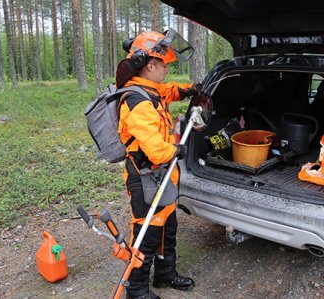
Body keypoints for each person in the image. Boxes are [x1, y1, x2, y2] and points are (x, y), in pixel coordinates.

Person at [117, 31, 196, 299]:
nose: (166, 68)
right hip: (145, 175)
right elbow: (155, 149)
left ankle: (165, 274)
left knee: (167, 227)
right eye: (164, 64)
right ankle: (136, 289)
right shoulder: (137, 100)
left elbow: (168, 91)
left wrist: (190, 91)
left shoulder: (149, 89)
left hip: (164, 175)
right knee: (147, 232)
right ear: (150, 65)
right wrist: (178, 149)